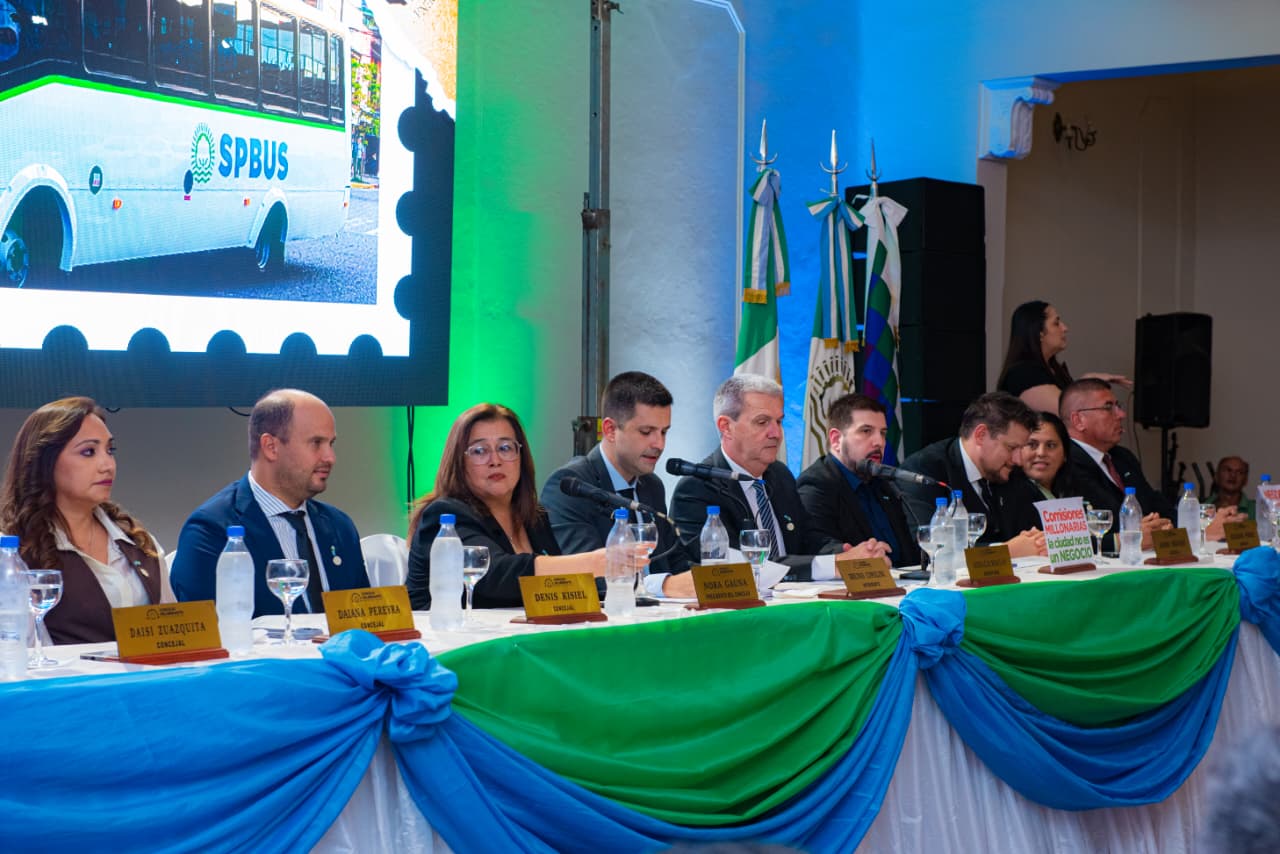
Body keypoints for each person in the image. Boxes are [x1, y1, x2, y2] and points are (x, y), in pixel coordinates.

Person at [171, 389, 368, 617]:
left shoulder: (340, 527)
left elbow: (366, 621)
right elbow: (205, 628)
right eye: (316, 443)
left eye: (331, 443)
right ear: (271, 447)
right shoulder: (211, 530)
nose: (330, 457)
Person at [0, 397, 173, 644]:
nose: (108, 465)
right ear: (45, 462)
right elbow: (18, 651)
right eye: (88, 452)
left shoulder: (139, 543)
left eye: (110, 451)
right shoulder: (12, 554)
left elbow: (176, 635)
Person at [406, 403, 605, 609]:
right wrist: (595, 562)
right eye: (480, 451)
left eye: (505, 448)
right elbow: (492, 574)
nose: (495, 460)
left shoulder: (533, 517)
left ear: (521, 457)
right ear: (459, 461)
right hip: (447, 629)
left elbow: (556, 588)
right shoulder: (445, 515)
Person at [669, 374, 845, 584]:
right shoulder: (696, 488)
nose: (776, 433)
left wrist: (843, 552)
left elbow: (807, 538)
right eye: (762, 422)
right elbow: (738, 567)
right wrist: (829, 564)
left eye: (779, 421)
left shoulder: (780, 475)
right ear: (726, 427)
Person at [540, 371, 690, 597]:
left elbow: (676, 563)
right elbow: (589, 579)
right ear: (610, 430)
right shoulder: (571, 487)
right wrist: (662, 586)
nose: (659, 444)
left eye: (664, 432)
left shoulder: (652, 485)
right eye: (646, 432)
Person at [1057, 378, 1237, 552]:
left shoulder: (1122, 458)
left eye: (1118, 406)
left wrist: (1200, 525)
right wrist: (1131, 538)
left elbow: (1158, 507)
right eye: (1108, 407)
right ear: (1078, 420)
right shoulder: (1063, 463)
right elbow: (1068, 540)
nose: (1121, 415)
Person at [898, 392, 1047, 558]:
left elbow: (1040, 524)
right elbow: (929, 548)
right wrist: (1004, 552)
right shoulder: (924, 471)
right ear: (981, 435)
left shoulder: (1011, 472)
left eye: (1022, 448)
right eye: (1011, 448)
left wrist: (1040, 541)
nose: (1018, 460)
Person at [796, 393, 920, 568]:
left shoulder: (883, 484)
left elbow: (908, 551)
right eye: (866, 431)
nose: (879, 442)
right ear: (836, 439)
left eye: (883, 433)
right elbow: (817, 547)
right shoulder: (816, 484)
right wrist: (858, 556)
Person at [996, 300, 1130, 413]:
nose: (1065, 328)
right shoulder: (1023, 373)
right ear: (1039, 333)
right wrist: (1087, 384)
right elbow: (1069, 413)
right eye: (1056, 323)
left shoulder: (1054, 369)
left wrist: (1087, 381)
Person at [1021, 411, 1075, 500]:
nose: (1041, 453)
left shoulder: (1081, 491)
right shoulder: (1006, 497)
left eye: (1051, 445)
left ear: (1065, 454)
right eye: (1032, 444)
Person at [1209, 456, 1255, 521]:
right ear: (1216, 476)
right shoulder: (1201, 508)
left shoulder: (1257, 510)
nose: (1233, 475)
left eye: (1239, 472)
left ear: (1245, 480)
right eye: (1228, 470)